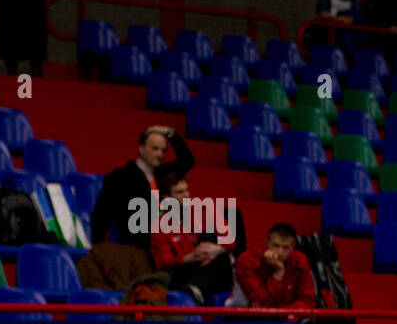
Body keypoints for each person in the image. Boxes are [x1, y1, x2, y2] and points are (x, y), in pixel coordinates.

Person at [91, 125, 196, 254]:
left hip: (166, 241)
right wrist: (98, 248)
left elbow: (188, 161)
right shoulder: (121, 176)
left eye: (163, 150)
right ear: (141, 148)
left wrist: (171, 134)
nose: (159, 154)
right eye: (154, 149)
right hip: (138, 245)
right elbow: (100, 215)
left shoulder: (162, 175)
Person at [149, 168, 244, 304]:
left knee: (211, 240)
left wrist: (218, 249)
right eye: (180, 192)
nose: (186, 195)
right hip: (186, 269)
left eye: (187, 190)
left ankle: (195, 288)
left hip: (216, 267)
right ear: (166, 198)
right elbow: (162, 261)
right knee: (215, 257)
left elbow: (231, 241)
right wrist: (187, 258)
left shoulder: (203, 211)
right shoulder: (159, 225)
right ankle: (195, 288)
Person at [234, 223, 316, 309]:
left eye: (286, 247)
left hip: (286, 318)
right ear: (267, 242)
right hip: (247, 319)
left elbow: (308, 300)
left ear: (293, 247)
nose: (280, 253)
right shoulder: (247, 260)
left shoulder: (300, 260)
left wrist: (285, 313)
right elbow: (260, 303)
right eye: (276, 245)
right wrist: (278, 273)